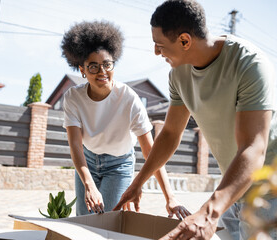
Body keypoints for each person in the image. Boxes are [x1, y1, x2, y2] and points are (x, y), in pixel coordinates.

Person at [113, 0, 277, 239]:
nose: (156, 52)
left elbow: (254, 146)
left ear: (184, 41)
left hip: (268, 192)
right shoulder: (178, 74)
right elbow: (170, 133)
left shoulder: (249, 64)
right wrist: (138, 182)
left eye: (159, 45)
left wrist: (209, 213)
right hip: (231, 189)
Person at [60, 20, 191, 218]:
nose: (102, 71)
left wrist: (169, 196)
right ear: (82, 69)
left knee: (109, 219)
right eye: (93, 66)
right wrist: (88, 184)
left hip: (118, 164)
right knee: (83, 220)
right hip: (87, 160)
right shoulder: (73, 97)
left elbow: (150, 150)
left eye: (107, 64)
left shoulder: (128, 98)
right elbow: (76, 145)